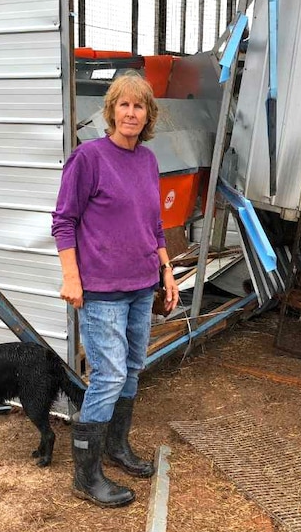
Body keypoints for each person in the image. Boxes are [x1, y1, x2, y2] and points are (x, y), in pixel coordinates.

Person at [51, 72, 179, 507]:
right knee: (109, 375)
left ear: (148, 115)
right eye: (123, 105)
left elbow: (154, 225)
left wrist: (166, 271)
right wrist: (72, 276)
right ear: (111, 111)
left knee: (132, 367)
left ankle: (116, 446)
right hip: (102, 289)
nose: (130, 112)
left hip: (143, 285)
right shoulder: (88, 158)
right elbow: (63, 221)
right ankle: (85, 477)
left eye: (139, 106)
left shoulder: (147, 161)